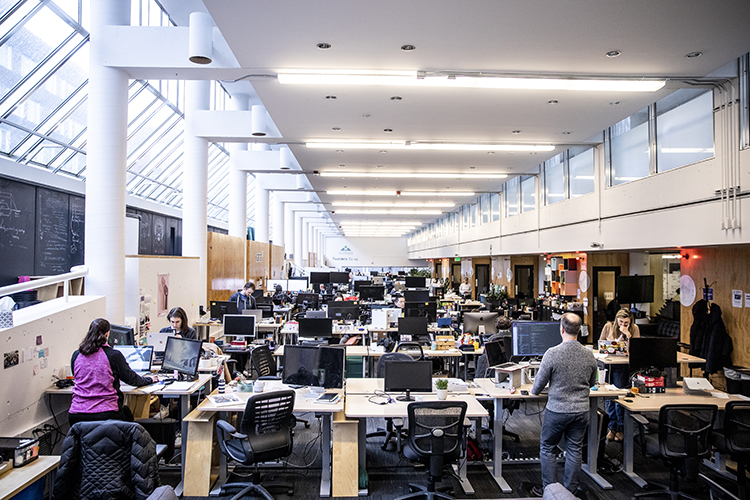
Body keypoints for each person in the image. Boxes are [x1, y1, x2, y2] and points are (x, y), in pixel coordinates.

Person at [530, 313, 597, 497]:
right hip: (581, 410)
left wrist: (535, 390)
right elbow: (592, 382)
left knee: (548, 448)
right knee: (574, 450)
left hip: (557, 410)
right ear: (579, 331)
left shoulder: (552, 353)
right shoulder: (589, 354)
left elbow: (538, 386)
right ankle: (570, 492)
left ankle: (551, 490)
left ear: (561, 329)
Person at [69, 318, 156, 426]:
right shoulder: (113, 355)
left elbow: (76, 376)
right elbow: (131, 379)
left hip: (77, 415)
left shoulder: (76, 355)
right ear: (107, 334)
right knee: (129, 418)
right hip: (106, 415)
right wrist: (149, 379)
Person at [599, 308, 639, 441]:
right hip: (609, 364)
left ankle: (621, 428)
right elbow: (601, 343)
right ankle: (612, 427)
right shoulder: (608, 326)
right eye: (621, 322)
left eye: (626, 323)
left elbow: (636, 350)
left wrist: (628, 335)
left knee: (618, 398)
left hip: (622, 366)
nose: (623, 325)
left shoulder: (634, 329)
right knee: (609, 398)